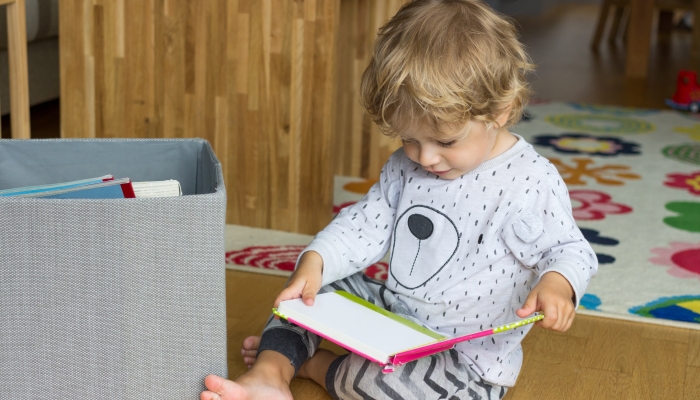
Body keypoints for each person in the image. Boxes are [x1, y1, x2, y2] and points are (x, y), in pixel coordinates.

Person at [202, 0, 598, 399]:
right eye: (409, 139)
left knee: (405, 389)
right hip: (393, 315)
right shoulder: (406, 167)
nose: (424, 158)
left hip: (465, 357)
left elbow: (569, 250)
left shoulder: (529, 181)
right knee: (307, 288)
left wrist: (557, 283)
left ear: (500, 111)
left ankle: (314, 365)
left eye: (445, 141)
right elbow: (363, 225)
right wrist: (316, 261)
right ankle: (270, 373)